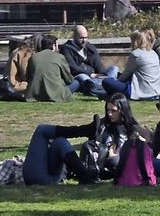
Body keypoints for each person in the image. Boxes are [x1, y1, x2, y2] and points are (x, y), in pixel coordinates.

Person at [18, 94, 148, 187]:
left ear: (123, 111)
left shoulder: (134, 131)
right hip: (57, 176)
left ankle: (86, 178)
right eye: (107, 110)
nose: (109, 114)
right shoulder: (102, 126)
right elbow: (79, 133)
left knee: (42, 130)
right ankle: (84, 176)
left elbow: (146, 153)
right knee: (58, 141)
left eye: (113, 111)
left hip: (41, 178)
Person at [61, 24, 121, 98]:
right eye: (81, 38)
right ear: (74, 37)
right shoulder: (66, 49)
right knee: (82, 76)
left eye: (86, 37)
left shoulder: (90, 47)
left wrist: (102, 74)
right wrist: (90, 74)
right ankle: (101, 88)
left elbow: (98, 63)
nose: (84, 40)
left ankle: (107, 84)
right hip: (83, 76)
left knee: (114, 68)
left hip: (97, 77)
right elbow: (72, 67)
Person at [25, 34, 75, 103]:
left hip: (35, 94)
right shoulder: (59, 57)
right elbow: (69, 80)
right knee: (77, 82)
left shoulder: (33, 57)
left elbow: (28, 77)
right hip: (56, 94)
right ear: (54, 46)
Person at [117, 29, 160, 102]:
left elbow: (126, 75)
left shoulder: (136, 54)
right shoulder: (153, 53)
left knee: (107, 81)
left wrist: (117, 82)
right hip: (157, 91)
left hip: (141, 91)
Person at [0, 36, 33, 101]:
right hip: (15, 85)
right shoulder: (25, 53)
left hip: (9, 83)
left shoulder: (16, 51)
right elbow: (24, 73)